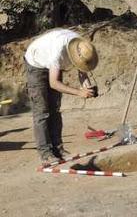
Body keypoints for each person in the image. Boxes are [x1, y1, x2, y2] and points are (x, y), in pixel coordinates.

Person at [25, 28, 98, 166]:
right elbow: (54, 83)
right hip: (36, 63)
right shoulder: (58, 51)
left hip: (52, 64)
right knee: (42, 112)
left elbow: (82, 71)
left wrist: (86, 86)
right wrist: (78, 92)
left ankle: (58, 149)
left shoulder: (81, 46)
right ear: (71, 55)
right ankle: (46, 153)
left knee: (55, 109)